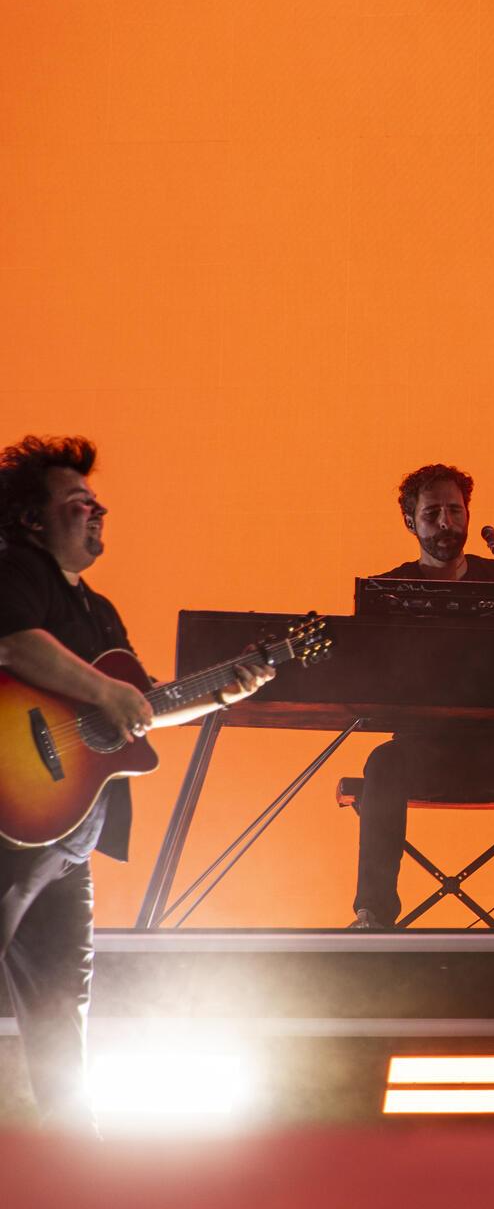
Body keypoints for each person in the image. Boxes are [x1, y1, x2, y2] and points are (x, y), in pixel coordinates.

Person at [0, 436, 272, 1126]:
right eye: (79, 503)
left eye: (98, 504)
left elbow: (140, 706)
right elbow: (10, 640)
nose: (98, 512)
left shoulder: (101, 610)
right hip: (15, 818)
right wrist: (101, 691)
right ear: (34, 519)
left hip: (69, 840)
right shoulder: (17, 570)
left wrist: (225, 691)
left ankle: (75, 1169)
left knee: (65, 1012)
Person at [350, 464, 494, 930]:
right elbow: (367, 673)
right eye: (432, 514)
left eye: (455, 510)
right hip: (425, 754)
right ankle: (373, 915)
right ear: (411, 522)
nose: (446, 523)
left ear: (469, 514)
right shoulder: (388, 591)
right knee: (382, 764)